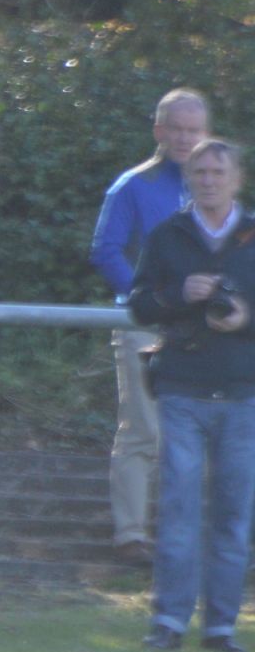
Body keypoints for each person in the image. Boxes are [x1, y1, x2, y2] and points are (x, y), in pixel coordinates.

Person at [129, 138, 255, 652]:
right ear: (190, 179)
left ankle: (221, 626)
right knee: (179, 508)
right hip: (181, 386)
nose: (208, 179)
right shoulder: (167, 236)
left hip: (244, 392)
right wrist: (179, 295)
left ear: (237, 179)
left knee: (233, 513)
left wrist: (245, 316)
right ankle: (169, 621)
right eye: (199, 171)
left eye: (217, 171)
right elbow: (138, 306)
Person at [90, 88, 209, 566]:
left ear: (205, 133)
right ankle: (132, 536)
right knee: (143, 430)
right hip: (147, 325)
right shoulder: (132, 186)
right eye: (175, 128)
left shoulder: (214, 184)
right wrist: (149, 302)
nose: (183, 137)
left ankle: (189, 536)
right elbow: (105, 250)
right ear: (159, 130)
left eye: (193, 129)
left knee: (206, 430)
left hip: (206, 329)